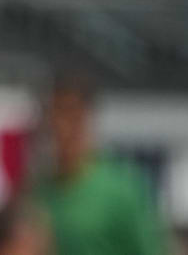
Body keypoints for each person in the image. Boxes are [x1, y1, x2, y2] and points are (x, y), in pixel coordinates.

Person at [33, 75, 166, 255]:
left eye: (68, 112)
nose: (59, 124)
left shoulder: (122, 188)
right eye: (52, 112)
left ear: (86, 116)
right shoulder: (39, 192)